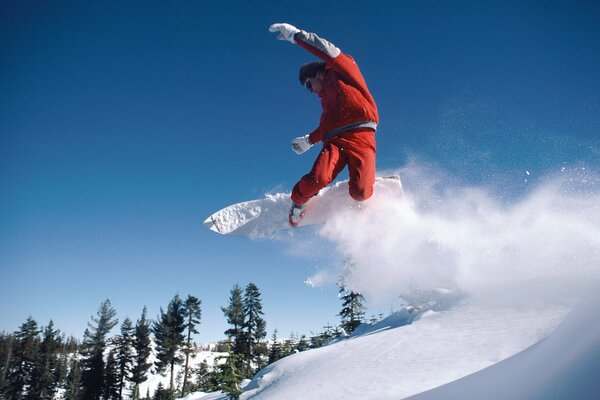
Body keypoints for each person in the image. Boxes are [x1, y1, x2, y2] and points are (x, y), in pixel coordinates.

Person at [269, 23, 379, 227]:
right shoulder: (326, 104)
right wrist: (308, 140)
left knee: (361, 192)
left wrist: (297, 36)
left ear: (316, 74)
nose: (311, 91)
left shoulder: (341, 70)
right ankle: (298, 202)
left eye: (309, 85)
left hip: (362, 136)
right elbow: (327, 127)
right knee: (317, 178)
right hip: (335, 141)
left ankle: (363, 197)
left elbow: (326, 49)